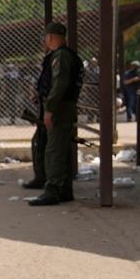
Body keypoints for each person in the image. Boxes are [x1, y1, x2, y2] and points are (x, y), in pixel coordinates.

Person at [28, 22, 83, 206]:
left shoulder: (61, 56)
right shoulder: (61, 55)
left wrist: (49, 109)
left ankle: (53, 191)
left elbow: (60, 84)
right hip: (60, 107)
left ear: (50, 37)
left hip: (59, 109)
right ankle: (64, 190)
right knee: (59, 148)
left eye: (45, 37)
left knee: (54, 150)